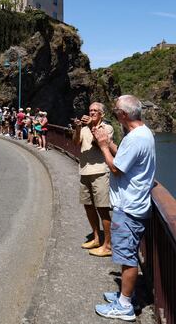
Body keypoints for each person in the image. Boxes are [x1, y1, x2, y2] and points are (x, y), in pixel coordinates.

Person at [93, 95, 156, 321]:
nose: (114, 112)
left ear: (124, 114)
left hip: (128, 207)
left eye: (116, 109)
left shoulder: (136, 138)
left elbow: (117, 168)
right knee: (127, 254)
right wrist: (109, 142)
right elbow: (124, 158)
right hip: (133, 204)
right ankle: (125, 295)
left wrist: (102, 146)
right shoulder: (140, 134)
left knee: (127, 257)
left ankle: (125, 306)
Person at [73, 103, 114, 258]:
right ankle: (97, 238)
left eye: (95, 111)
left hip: (100, 173)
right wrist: (78, 128)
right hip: (84, 172)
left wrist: (91, 126)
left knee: (103, 209)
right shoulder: (84, 128)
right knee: (88, 206)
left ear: (102, 114)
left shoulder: (106, 128)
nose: (91, 112)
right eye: (90, 110)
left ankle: (108, 245)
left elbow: (101, 144)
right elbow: (76, 142)